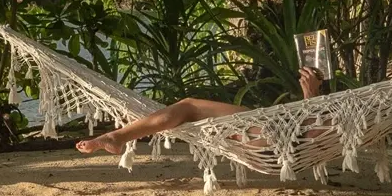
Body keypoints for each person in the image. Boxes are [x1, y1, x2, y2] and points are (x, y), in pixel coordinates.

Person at [76, 68, 325, 155]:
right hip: (272, 128)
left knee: (190, 107)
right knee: (189, 107)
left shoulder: (343, 121)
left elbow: (310, 137)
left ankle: (117, 137)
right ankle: (119, 136)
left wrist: (311, 98)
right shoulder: (350, 118)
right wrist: (310, 97)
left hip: (274, 134)